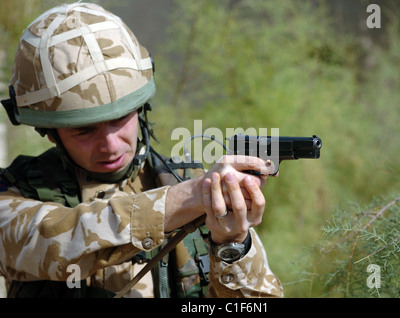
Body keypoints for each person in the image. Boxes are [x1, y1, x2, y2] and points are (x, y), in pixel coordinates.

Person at [0, 2, 283, 298]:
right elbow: (57, 238)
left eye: (120, 119)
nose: (110, 145)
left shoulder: (189, 183)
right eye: (83, 130)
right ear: (50, 132)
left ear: (140, 109)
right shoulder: (16, 194)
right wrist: (189, 199)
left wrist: (232, 243)